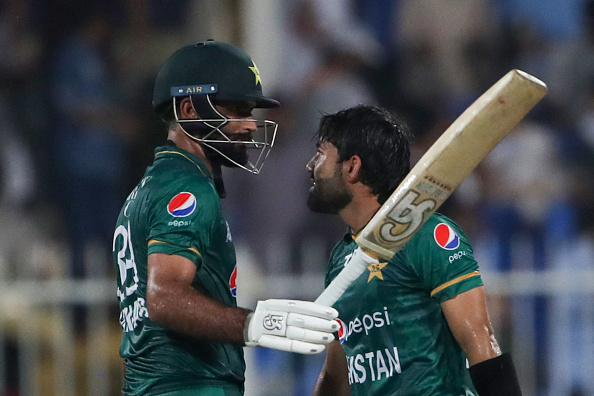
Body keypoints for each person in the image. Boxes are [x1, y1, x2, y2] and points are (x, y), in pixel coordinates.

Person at [113, 40, 339, 396]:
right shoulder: (187, 189)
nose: (250, 125)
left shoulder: (147, 188)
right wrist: (254, 323)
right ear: (189, 109)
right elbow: (163, 297)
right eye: (237, 109)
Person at [307, 105, 523, 395]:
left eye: (320, 154)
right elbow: (336, 376)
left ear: (352, 166)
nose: (311, 165)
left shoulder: (427, 235)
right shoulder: (339, 258)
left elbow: (480, 342)